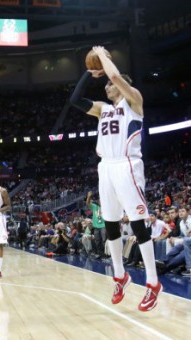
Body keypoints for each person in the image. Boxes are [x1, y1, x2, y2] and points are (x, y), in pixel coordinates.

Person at [70, 46, 161, 311]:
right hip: (106, 167)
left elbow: (119, 79)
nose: (107, 86)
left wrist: (106, 59)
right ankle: (120, 276)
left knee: (138, 223)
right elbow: (75, 100)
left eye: (110, 83)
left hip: (128, 165)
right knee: (110, 224)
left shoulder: (134, 101)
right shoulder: (102, 109)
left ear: (121, 86)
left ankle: (153, 283)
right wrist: (89, 73)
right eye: (107, 83)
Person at [86, 191, 106, 259]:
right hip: (96, 227)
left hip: (103, 226)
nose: (100, 202)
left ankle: (105, 255)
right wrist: (89, 196)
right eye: (100, 201)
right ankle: (100, 254)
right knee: (97, 241)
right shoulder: (94, 207)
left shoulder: (106, 208)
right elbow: (88, 203)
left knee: (104, 240)